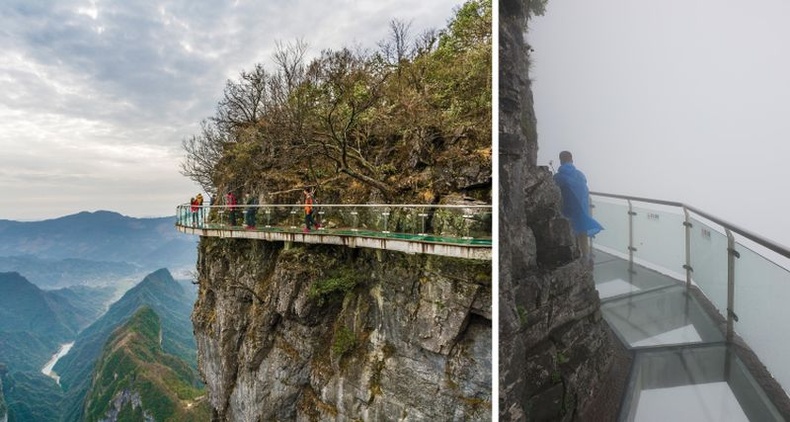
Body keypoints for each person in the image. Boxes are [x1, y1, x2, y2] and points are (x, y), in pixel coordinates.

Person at [553, 151, 603, 261]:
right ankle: (585, 259)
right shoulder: (580, 175)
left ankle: (573, 259)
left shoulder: (558, 177)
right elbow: (584, 191)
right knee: (583, 236)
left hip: (566, 211)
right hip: (581, 210)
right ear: (571, 160)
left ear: (561, 161)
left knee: (570, 237)